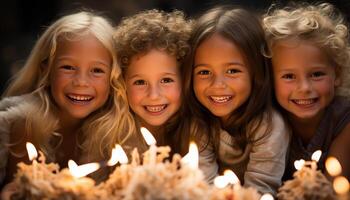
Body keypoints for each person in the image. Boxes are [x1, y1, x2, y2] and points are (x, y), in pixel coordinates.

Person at [0, 11, 135, 194]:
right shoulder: (19, 123)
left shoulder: (117, 132)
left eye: (97, 70)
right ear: (46, 70)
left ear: (114, 78)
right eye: (68, 67)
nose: (81, 81)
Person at [182, 6, 290, 195]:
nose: (218, 84)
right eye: (204, 72)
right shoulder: (198, 123)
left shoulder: (270, 126)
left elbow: (260, 191)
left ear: (256, 72)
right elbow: (203, 187)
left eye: (232, 71)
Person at [263, 3, 350, 180]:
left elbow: (334, 187)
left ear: (337, 74)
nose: (304, 88)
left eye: (316, 74)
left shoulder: (344, 120)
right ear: (270, 79)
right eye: (289, 76)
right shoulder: (265, 120)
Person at [113, 10, 192, 156]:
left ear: (185, 78)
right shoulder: (109, 137)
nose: (154, 95)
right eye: (140, 82)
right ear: (122, 83)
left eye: (166, 80)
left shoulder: (199, 133)